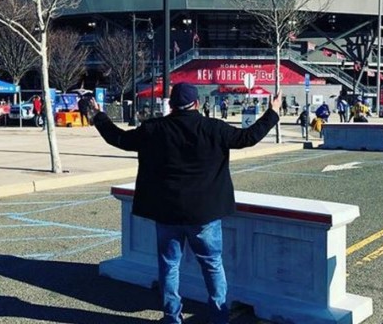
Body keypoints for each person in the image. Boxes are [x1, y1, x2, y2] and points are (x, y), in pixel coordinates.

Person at [89, 83, 281, 324]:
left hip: (167, 211)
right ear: (197, 104)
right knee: (212, 265)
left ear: (171, 105)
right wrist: (272, 112)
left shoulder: (154, 129)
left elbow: (119, 138)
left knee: (169, 266)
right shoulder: (213, 128)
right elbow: (248, 137)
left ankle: (172, 316)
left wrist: (99, 116)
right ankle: (218, 317)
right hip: (204, 213)